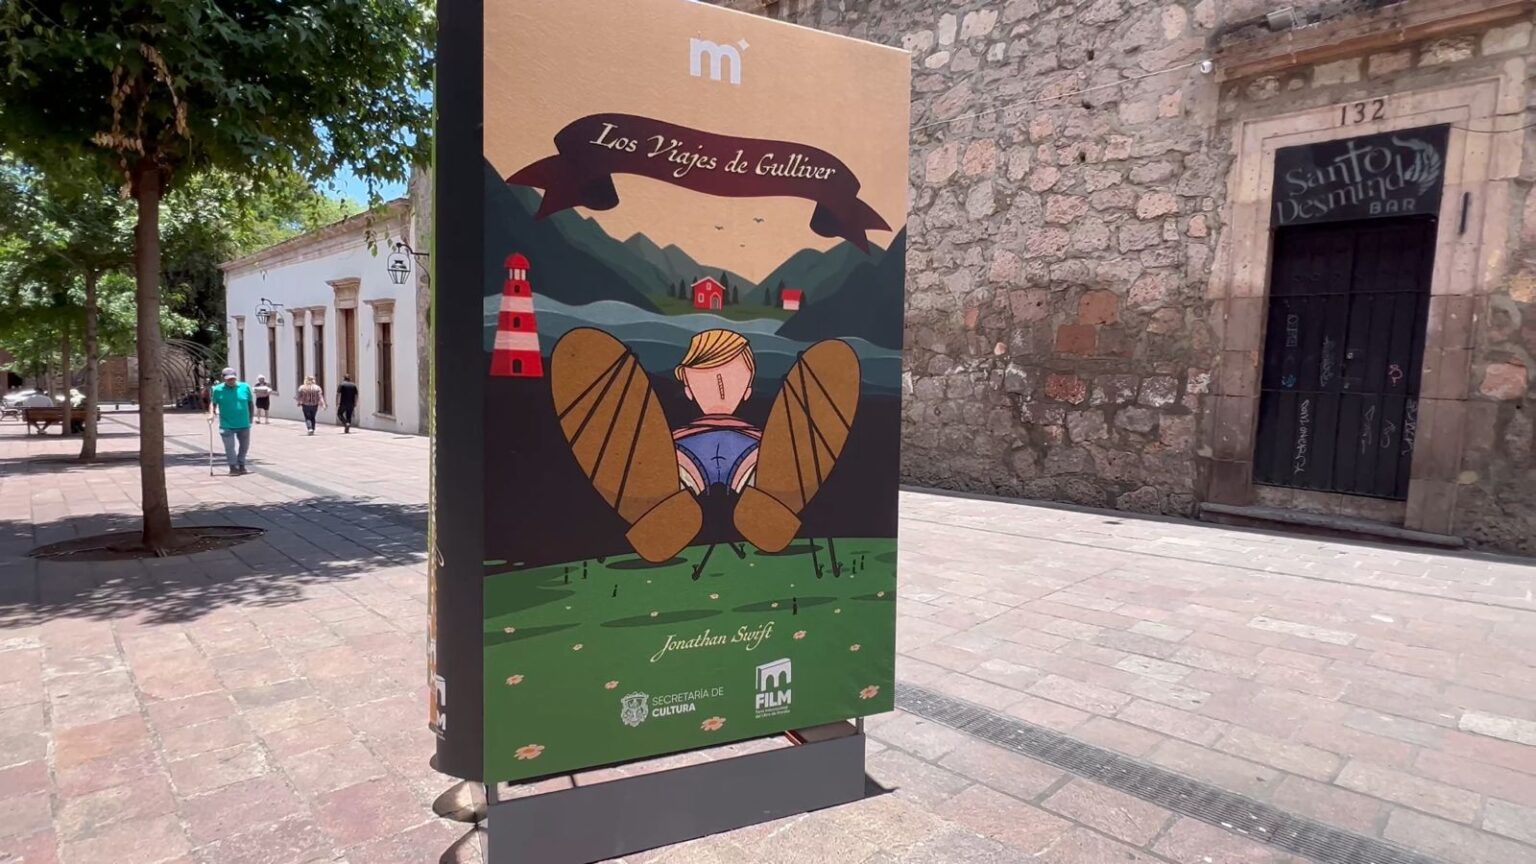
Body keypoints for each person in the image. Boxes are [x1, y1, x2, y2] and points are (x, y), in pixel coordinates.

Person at [207, 367, 253, 475]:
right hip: (226, 424)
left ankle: (241, 465)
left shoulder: (245, 387)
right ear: (223, 378)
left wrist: (250, 418)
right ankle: (233, 467)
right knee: (229, 447)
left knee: (244, 446)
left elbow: (250, 403)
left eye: (233, 378)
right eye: (228, 379)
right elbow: (212, 403)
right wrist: (211, 414)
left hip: (243, 423)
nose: (231, 381)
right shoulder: (217, 390)